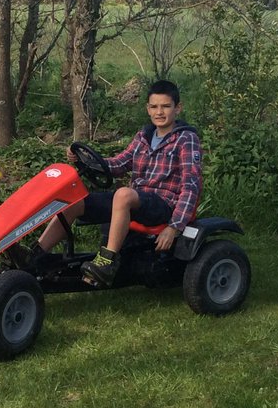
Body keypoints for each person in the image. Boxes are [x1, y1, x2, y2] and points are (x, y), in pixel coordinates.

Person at [33, 79, 202, 287]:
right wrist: (85, 159)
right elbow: (119, 164)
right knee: (75, 201)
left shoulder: (185, 139)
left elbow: (191, 186)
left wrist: (174, 227)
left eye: (166, 106)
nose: (160, 112)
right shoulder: (144, 136)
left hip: (164, 204)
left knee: (123, 194)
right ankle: (36, 255)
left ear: (178, 108)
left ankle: (106, 262)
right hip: (138, 201)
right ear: (147, 109)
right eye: (155, 106)